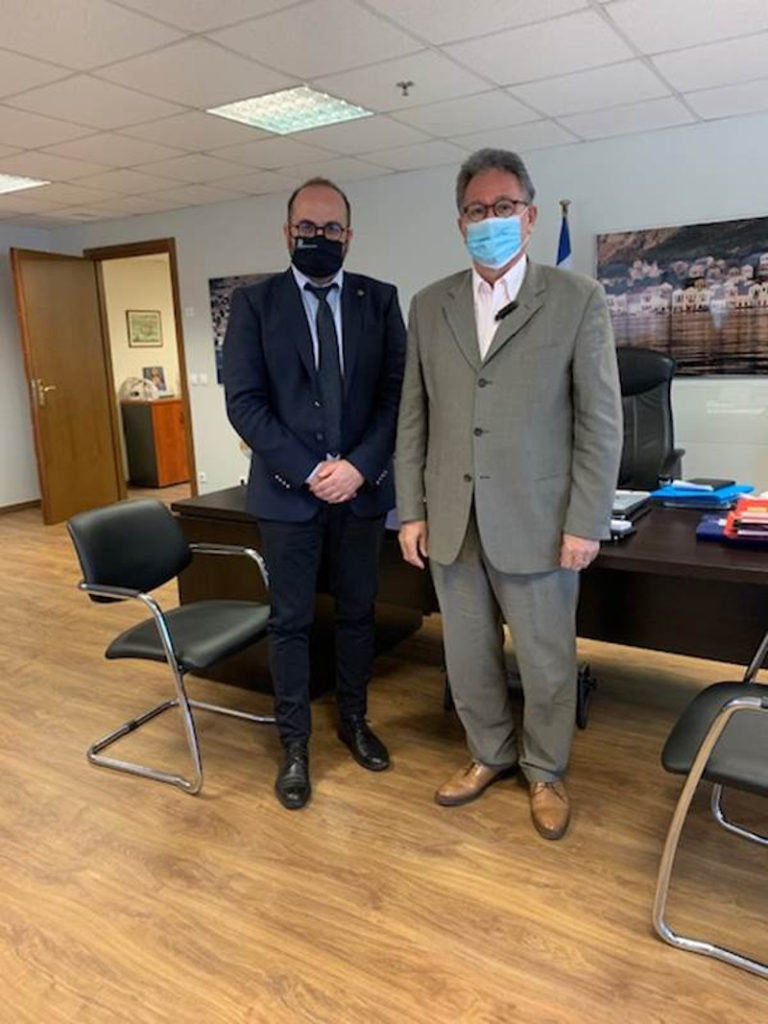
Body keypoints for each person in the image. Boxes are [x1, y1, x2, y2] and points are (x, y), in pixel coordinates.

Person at [395, 149, 622, 840]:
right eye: (476, 210)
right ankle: (488, 753)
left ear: (529, 216)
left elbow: (600, 422)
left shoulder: (577, 298)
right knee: (467, 657)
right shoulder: (429, 304)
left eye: (503, 208)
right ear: (459, 221)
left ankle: (545, 769)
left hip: (540, 521)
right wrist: (411, 510)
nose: (488, 220)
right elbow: (414, 417)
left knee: (547, 661)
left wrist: (586, 520)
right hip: (452, 519)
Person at [224, 177, 406, 810]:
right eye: (307, 227)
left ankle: (354, 720)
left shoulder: (380, 300)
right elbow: (245, 403)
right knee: (291, 623)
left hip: (362, 493)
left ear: (349, 236)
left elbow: (396, 396)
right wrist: (309, 469)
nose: (319, 237)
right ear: (287, 232)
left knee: (358, 613)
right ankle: (295, 745)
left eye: (331, 228)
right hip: (286, 495)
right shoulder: (255, 304)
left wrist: (358, 466)